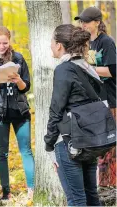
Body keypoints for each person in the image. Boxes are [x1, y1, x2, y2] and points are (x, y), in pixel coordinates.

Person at [45, 24, 101, 206]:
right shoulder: (87, 67)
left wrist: (49, 144)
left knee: (76, 200)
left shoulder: (63, 70)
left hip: (69, 142)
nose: (51, 45)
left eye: (52, 41)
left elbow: (56, 110)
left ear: (59, 45)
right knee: (91, 196)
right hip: (91, 140)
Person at [0, 26, 35, 200]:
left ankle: (32, 188)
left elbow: (26, 87)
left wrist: (18, 79)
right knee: (1, 152)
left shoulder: (18, 58)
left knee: (26, 150)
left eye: (5, 42)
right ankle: (6, 191)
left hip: (20, 111)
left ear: (9, 41)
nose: (2, 46)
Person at [75, 6, 116, 190]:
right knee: (96, 144)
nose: (82, 25)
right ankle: (99, 186)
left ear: (97, 22)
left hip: (110, 99)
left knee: (109, 145)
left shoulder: (106, 42)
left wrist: (86, 68)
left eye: (86, 21)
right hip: (92, 102)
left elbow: (112, 71)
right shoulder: (85, 43)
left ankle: (110, 186)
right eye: (81, 21)